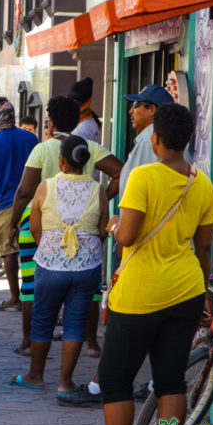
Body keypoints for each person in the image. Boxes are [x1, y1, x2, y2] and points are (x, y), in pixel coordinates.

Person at [71, 103, 213, 425]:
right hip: (187, 291)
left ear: (155, 140)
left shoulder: (143, 177)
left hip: (140, 295)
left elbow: (128, 236)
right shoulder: (202, 183)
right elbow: (204, 247)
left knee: (116, 379)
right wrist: (205, 295)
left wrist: (113, 225)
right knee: (171, 381)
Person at [62, 83, 175, 408]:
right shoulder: (190, 175)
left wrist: (115, 226)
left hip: (140, 251)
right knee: (156, 330)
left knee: (123, 323)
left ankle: (100, 387)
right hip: (165, 262)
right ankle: (154, 385)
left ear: (153, 111)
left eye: (138, 105)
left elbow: (137, 209)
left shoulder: (150, 144)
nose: (131, 111)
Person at [9, 95, 123, 356]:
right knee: (90, 290)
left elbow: (24, 192)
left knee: (31, 287)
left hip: (39, 225)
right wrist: (101, 198)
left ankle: (29, 343)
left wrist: (12, 224)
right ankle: (91, 343)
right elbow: (120, 171)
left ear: (50, 122)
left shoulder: (42, 149)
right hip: (83, 226)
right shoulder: (89, 147)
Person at [9, 135, 108, 395]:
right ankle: (66, 383)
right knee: (75, 323)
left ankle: (35, 375)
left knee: (43, 320)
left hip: (51, 265)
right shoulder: (98, 190)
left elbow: (34, 228)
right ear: (85, 162)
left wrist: (50, 248)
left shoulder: (46, 187)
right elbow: (102, 231)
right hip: (87, 267)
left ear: (61, 159)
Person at [0, 97, 37, 311]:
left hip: (5, 206)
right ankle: (31, 294)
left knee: (8, 251)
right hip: (32, 204)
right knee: (32, 251)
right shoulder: (31, 139)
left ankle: (14, 298)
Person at [68, 77, 102, 143]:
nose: (69, 105)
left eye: (74, 102)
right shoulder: (90, 120)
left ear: (85, 104)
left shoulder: (81, 129)